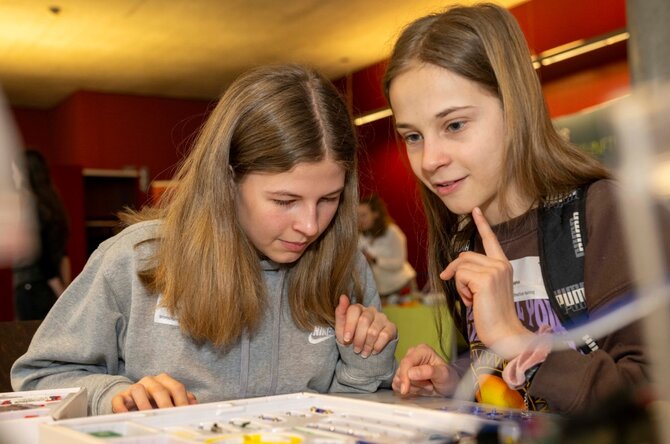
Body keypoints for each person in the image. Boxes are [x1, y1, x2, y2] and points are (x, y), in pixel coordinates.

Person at [383, 4, 670, 414]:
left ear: (515, 107)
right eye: (413, 136)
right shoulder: (465, 235)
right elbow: (526, 398)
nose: (429, 159)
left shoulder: (611, 217)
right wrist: (457, 382)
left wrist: (518, 339)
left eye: (454, 125)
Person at [12, 64, 398, 415]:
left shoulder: (346, 266)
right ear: (228, 180)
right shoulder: (134, 259)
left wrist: (366, 361)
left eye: (328, 199)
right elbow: (38, 379)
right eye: (285, 200)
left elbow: (352, 416)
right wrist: (112, 395)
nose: (311, 226)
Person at [13, 149, 71, 320]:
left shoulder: (31, 207)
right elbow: (62, 253)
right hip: (49, 288)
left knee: (30, 341)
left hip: (33, 288)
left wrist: (62, 294)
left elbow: (42, 256)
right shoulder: (52, 203)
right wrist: (65, 288)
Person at [357, 194, 417, 303]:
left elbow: (399, 263)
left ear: (376, 214)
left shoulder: (392, 232)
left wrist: (375, 260)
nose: (360, 220)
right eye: (358, 216)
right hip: (380, 291)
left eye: (363, 215)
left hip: (402, 286)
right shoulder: (360, 237)